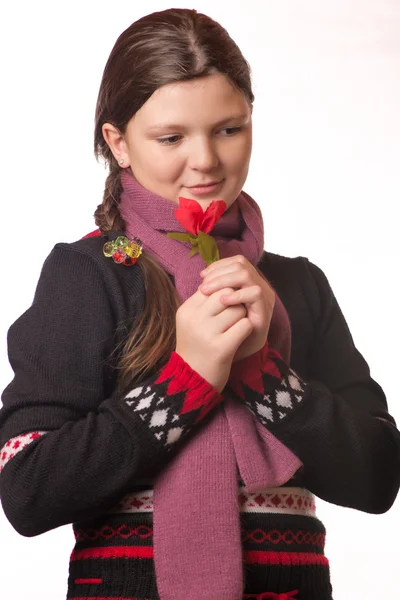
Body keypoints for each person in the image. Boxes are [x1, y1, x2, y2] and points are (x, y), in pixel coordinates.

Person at [0, 8, 399, 600]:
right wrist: (184, 378)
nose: (207, 160)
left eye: (229, 129)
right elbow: (29, 491)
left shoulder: (296, 286)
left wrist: (263, 375)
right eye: (170, 138)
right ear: (119, 143)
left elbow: (377, 479)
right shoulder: (88, 274)